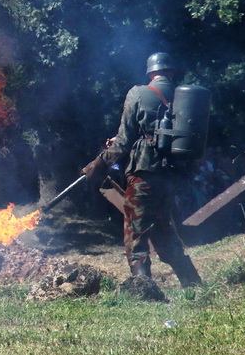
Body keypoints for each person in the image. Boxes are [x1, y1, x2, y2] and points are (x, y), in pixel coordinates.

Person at [81, 52, 202, 288]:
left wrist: (97, 166)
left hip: (144, 173)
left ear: (150, 72)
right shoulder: (184, 97)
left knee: (136, 232)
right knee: (163, 228)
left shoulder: (138, 93)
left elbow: (124, 143)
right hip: (170, 176)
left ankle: (142, 286)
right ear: (172, 71)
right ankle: (193, 284)